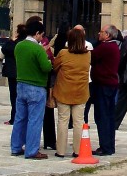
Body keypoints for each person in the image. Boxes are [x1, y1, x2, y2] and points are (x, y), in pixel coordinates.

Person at [11, 20, 53, 160]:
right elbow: (46, 67)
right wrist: (47, 59)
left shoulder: (19, 46)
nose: (42, 37)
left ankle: (16, 147)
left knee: (20, 118)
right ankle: (32, 150)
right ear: (37, 33)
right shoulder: (37, 49)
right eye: (41, 35)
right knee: (34, 120)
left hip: (21, 84)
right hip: (36, 87)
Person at [52, 27, 91, 158]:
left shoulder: (63, 53)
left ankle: (61, 150)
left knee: (63, 120)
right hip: (81, 91)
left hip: (64, 90)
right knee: (79, 121)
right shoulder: (88, 54)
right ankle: (78, 150)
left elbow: (55, 66)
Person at [90, 24, 120, 156]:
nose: (99, 34)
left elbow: (91, 57)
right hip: (110, 84)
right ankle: (109, 145)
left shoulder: (105, 47)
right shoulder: (114, 46)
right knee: (108, 115)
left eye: (101, 32)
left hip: (103, 84)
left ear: (108, 35)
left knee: (102, 116)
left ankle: (105, 146)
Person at [1, 23, 27, 125]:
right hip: (22, 73)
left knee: (14, 97)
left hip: (13, 73)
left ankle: (14, 118)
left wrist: (11, 40)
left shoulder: (14, 44)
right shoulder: (25, 44)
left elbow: (4, 49)